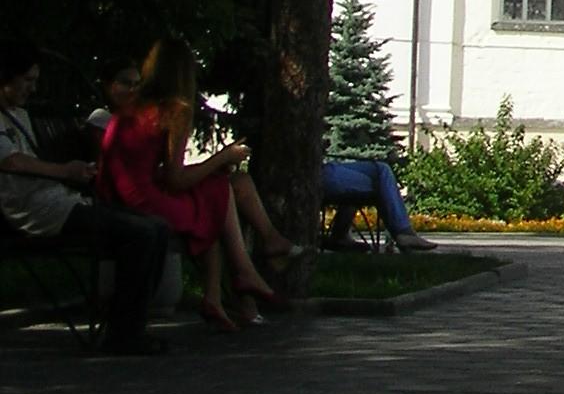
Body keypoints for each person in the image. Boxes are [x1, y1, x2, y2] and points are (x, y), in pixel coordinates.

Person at [99, 38, 299, 332]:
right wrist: (223, 157)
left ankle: (219, 297)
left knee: (217, 199)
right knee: (219, 191)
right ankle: (246, 274)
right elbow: (176, 180)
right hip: (141, 204)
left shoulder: (133, 106)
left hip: (115, 195)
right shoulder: (175, 110)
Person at [0, 43, 169, 355]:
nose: (32, 88)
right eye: (27, 80)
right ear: (5, 78)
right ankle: (124, 334)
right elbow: (11, 162)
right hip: (36, 210)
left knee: (157, 227)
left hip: (60, 199)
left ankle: (130, 324)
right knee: (141, 233)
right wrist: (64, 170)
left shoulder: (19, 114)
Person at [320, 152, 435, 253]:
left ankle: (340, 234)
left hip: (324, 168)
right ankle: (403, 232)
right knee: (380, 174)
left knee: (380, 170)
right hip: (318, 174)